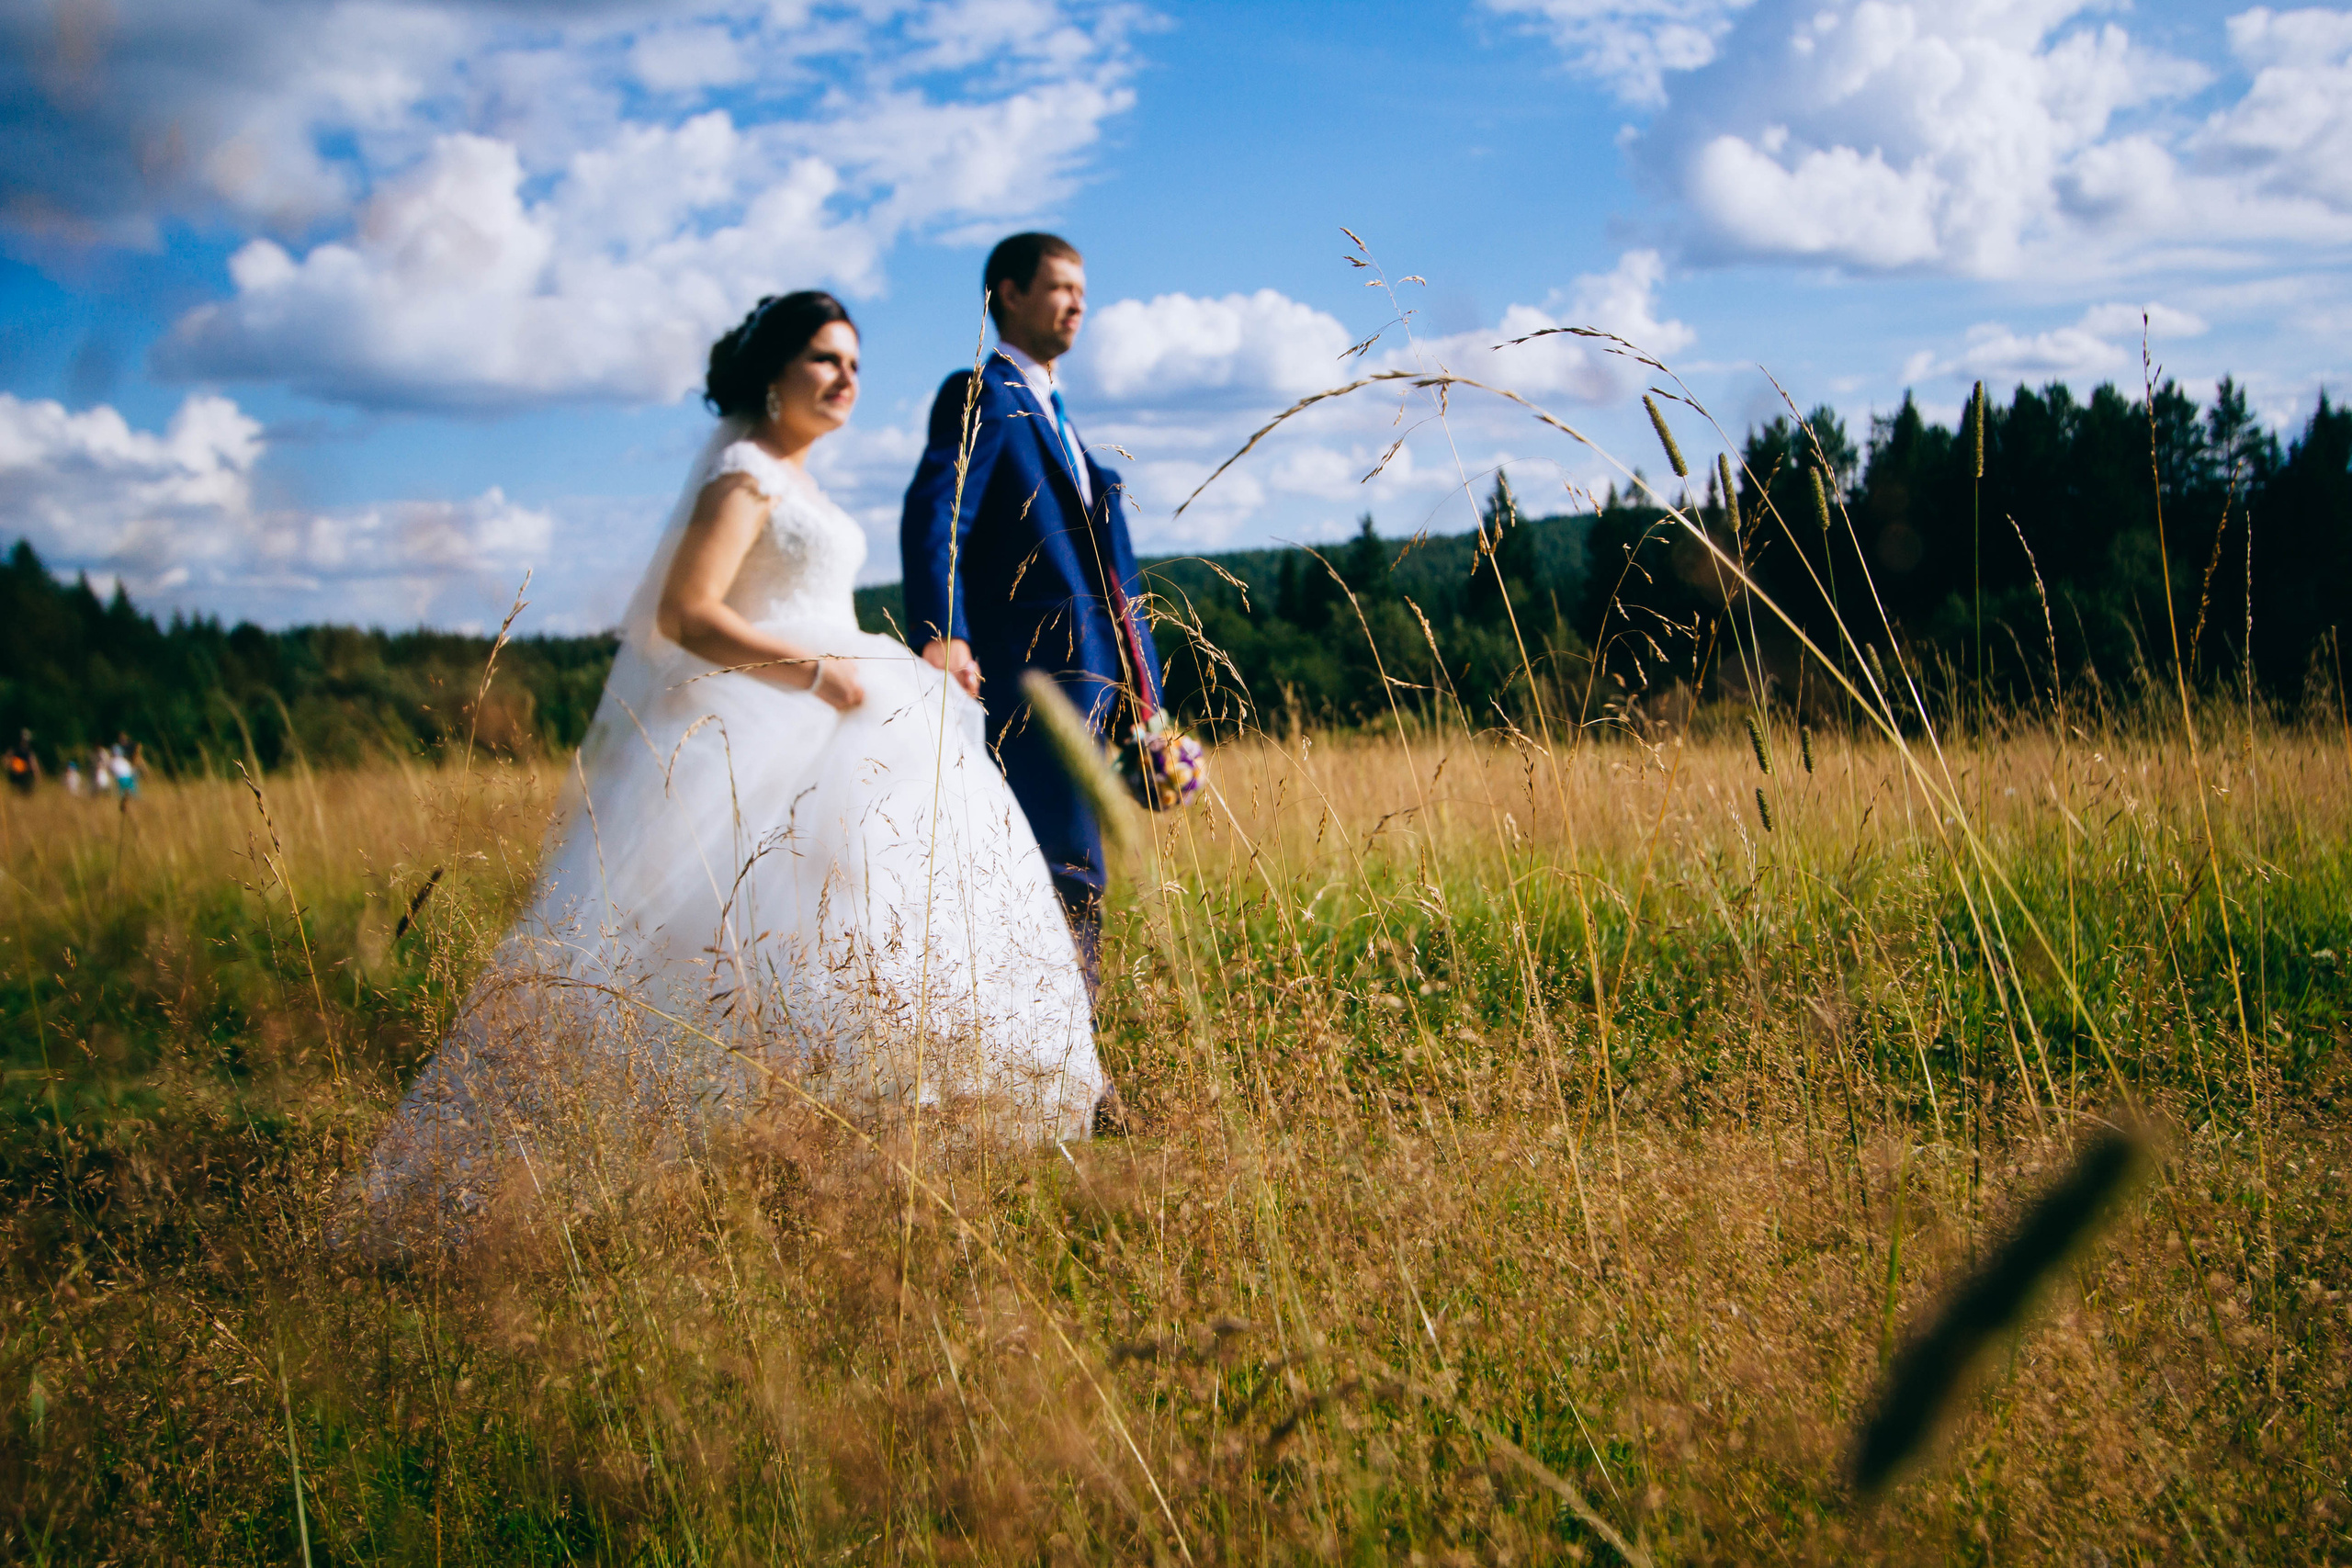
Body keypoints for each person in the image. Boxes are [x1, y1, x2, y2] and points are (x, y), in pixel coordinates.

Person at [357, 292, 1104, 1242]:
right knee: (738, 939)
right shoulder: (746, 474)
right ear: (772, 373)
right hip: (770, 716)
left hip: (847, 699)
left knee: (862, 928)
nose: (845, 380)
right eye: (825, 360)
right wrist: (820, 673)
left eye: (856, 365)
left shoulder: (802, 480)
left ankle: (864, 1157)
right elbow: (689, 613)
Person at [899, 232, 1162, 1005]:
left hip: (1101, 685)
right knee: (1061, 867)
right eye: (1058, 287)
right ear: (1008, 295)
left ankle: (1061, 1062)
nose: (1076, 301)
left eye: (1082, 288)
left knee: (1079, 870)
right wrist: (943, 628)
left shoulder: (1063, 419)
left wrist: (1150, 708)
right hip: (1032, 680)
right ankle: (1067, 1074)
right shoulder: (980, 393)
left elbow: (1113, 577)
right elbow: (938, 509)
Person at [5, 730, 37, 796]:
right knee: (14, 793)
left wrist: (36, 776)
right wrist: (9, 766)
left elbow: (33, 765)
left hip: (24, 775)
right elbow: (6, 759)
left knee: (25, 794)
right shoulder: (15, 749)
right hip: (15, 774)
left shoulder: (29, 752)